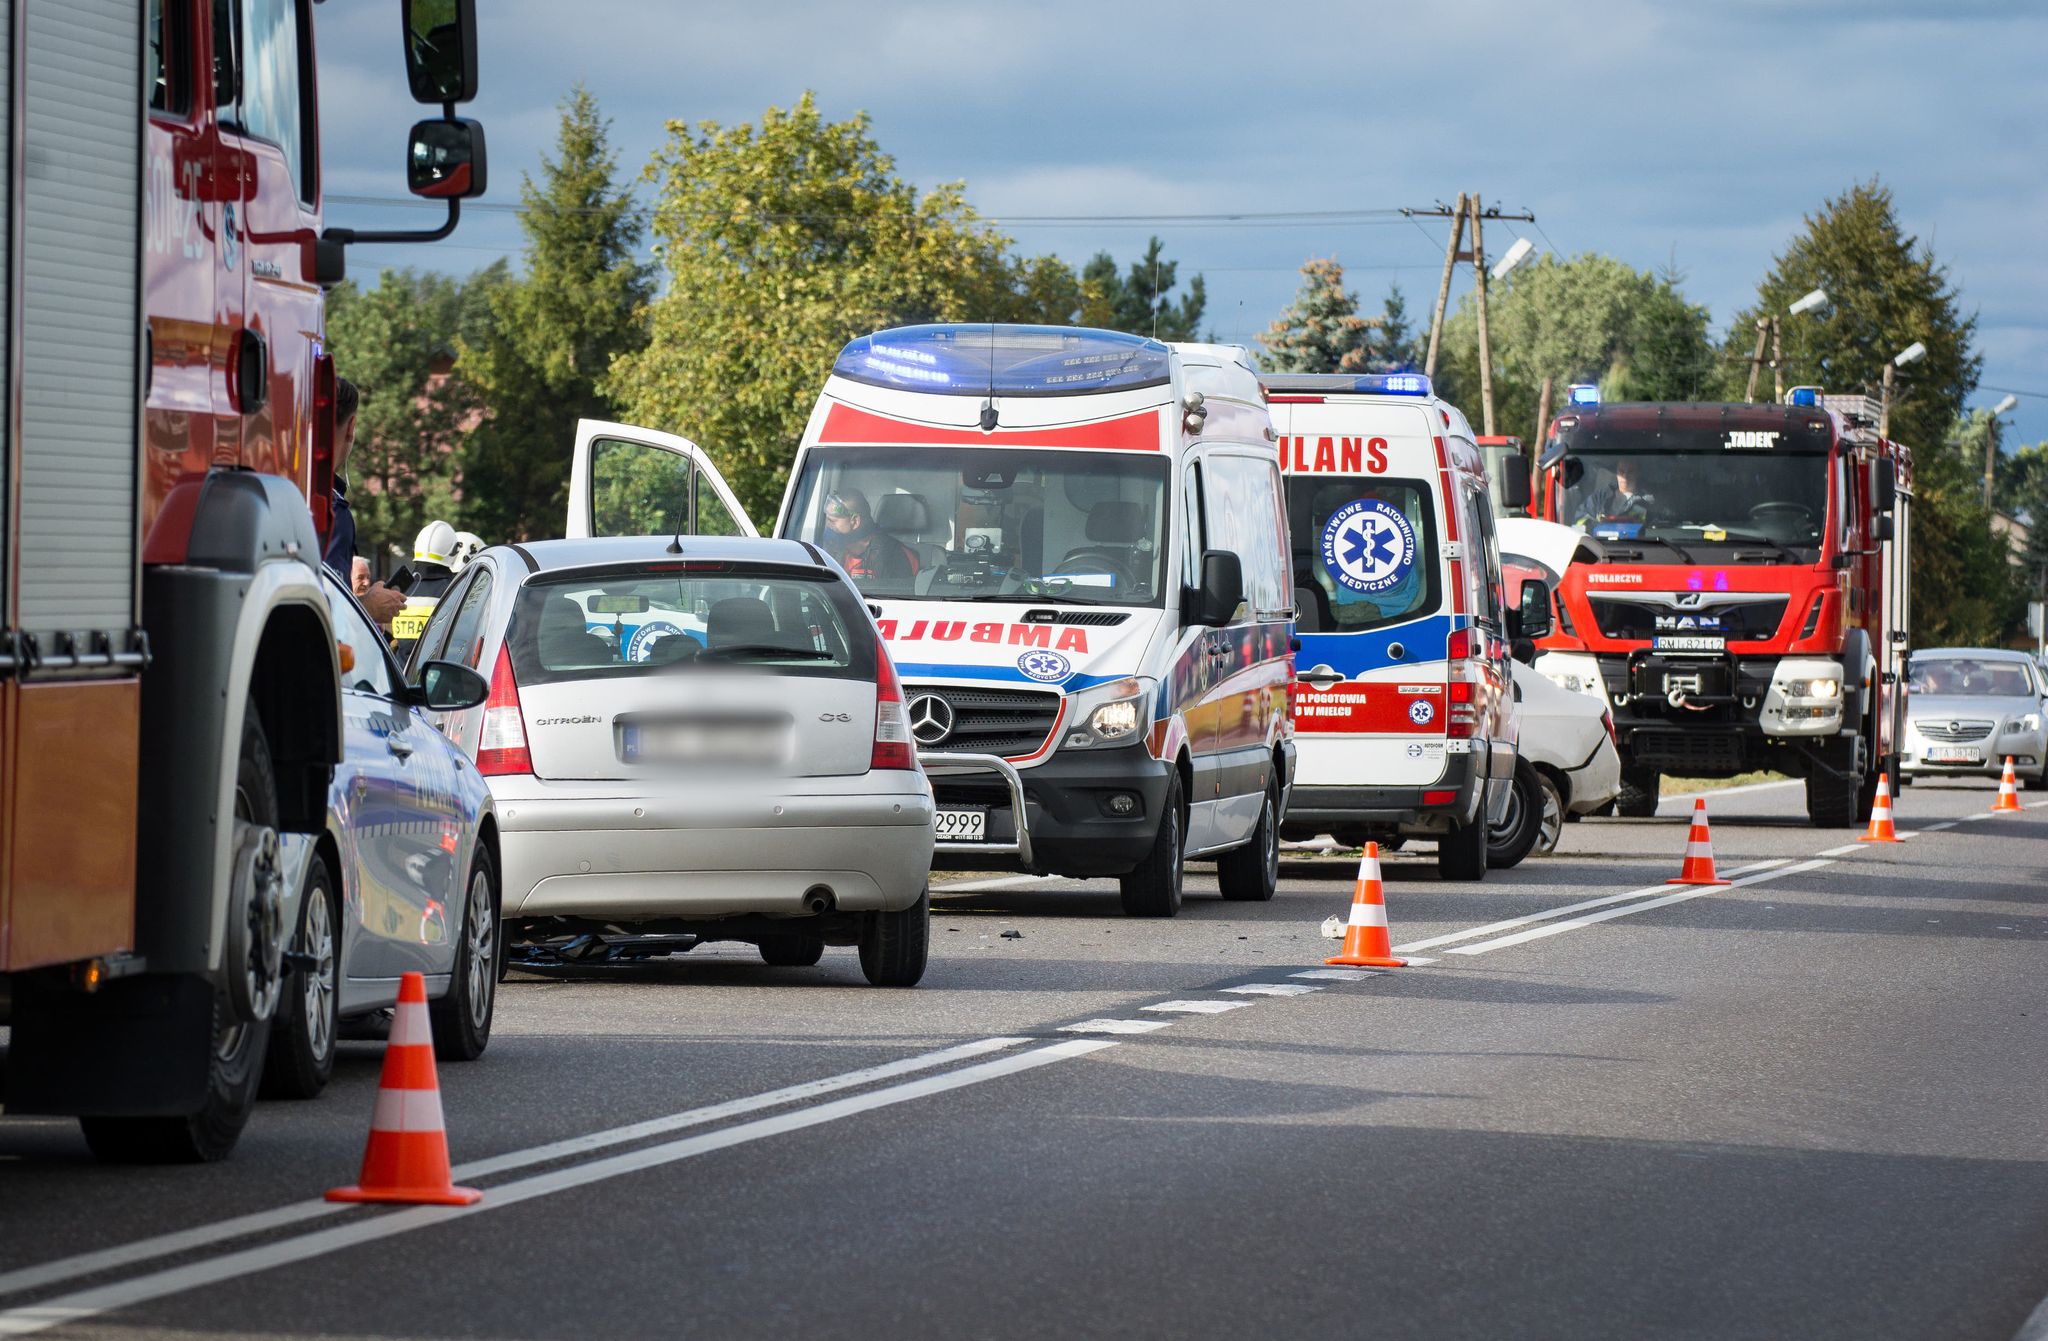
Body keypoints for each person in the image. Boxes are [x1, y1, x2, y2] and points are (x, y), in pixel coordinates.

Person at [322, 378, 406, 626]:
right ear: (351, 426)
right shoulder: (332, 511)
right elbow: (327, 614)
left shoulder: (288, 490)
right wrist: (367, 606)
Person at [819, 488, 915, 586]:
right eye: (827, 520)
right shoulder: (831, 550)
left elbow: (895, 598)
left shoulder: (892, 555)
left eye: (832, 521)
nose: (827, 525)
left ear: (855, 521)